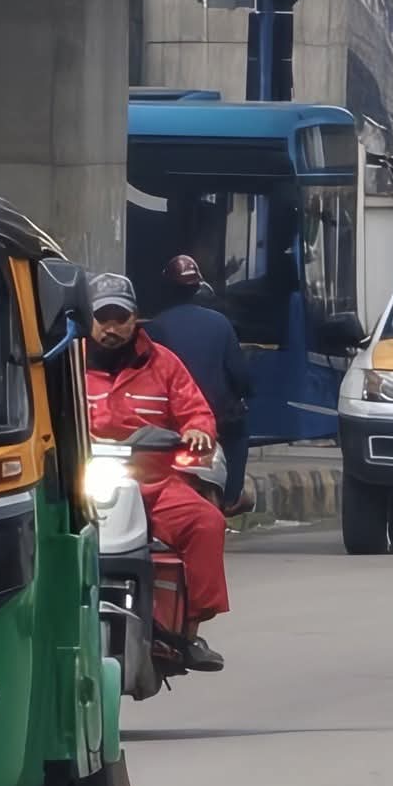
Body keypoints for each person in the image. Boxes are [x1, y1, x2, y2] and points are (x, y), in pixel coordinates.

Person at [83, 273, 229, 672]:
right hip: (81, 486)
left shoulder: (164, 363)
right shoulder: (66, 364)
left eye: (120, 318)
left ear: (135, 319)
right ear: (89, 320)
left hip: (154, 485)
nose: (111, 328)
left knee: (206, 522)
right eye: (103, 318)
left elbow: (195, 410)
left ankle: (188, 629)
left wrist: (198, 429)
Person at [144, 255, 254, 512]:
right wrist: (245, 391)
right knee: (239, 433)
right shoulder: (220, 324)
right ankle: (231, 497)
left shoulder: (153, 329)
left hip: (170, 419)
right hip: (215, 417)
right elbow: (239, 375)